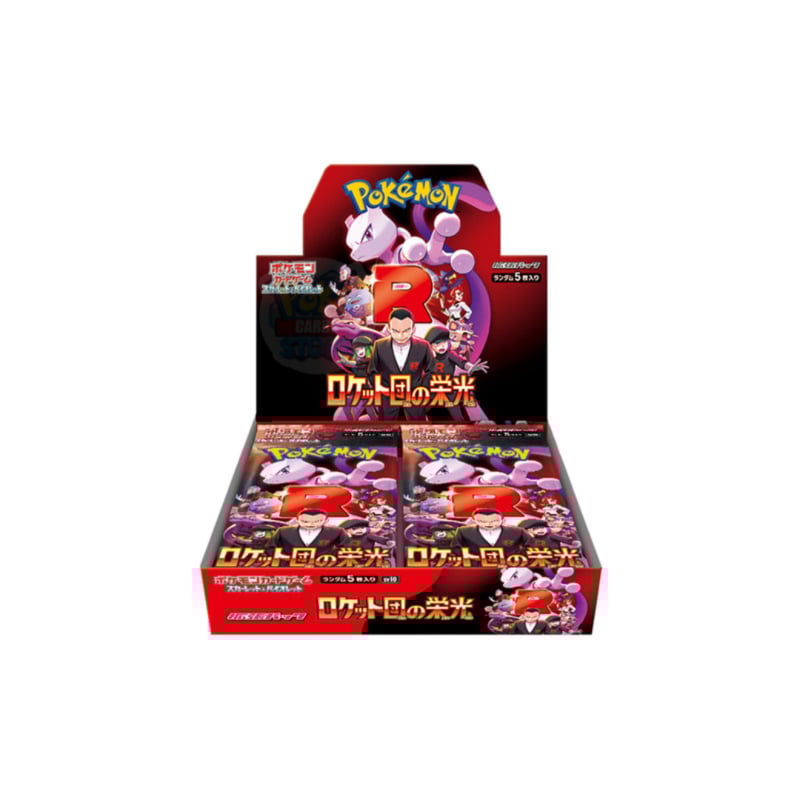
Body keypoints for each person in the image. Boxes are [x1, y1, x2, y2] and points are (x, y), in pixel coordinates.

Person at [367, 308, 435, 420]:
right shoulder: (379, 346)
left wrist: (422, 389)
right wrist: (382, 389)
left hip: (415, 396)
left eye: (406, 330)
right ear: (389, 329)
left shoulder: (423, 346)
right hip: (388, 396)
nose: (401, 335)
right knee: (387, 427)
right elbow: (372, 371)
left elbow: (431, 370)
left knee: (417, 426)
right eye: (396, 331)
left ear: (413, 329)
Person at [270, 509, 350, 556]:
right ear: (297, 520)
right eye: (305, 521)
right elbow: (270, 547)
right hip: (289, 565)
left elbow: (347, 548)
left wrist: (331, 559)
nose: (310, 524)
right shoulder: (283, 531)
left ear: (326, 521)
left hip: (324, 565)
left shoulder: (337, 532)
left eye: (317, 521)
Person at [451, 509, 527, 554]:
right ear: (474, 521)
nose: (488, 524)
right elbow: (455, 548)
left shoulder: (517, 532)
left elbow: (530, 547)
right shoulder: (463, 531)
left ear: (503, 520)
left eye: (494, 521)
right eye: (482, 521)